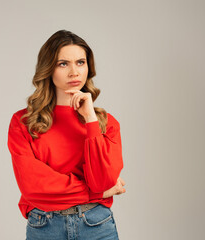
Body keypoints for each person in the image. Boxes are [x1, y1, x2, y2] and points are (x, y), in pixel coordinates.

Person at [7, 29, 126, 240]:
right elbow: (34, 187)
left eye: (80, 62)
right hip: (45, 227)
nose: (74, 72)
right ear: (48, 69)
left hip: (97, 225)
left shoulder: (107, 124)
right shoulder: (23, 123)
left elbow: (103, 181)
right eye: (63, 63)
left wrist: (90, 119)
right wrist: (98, 194)